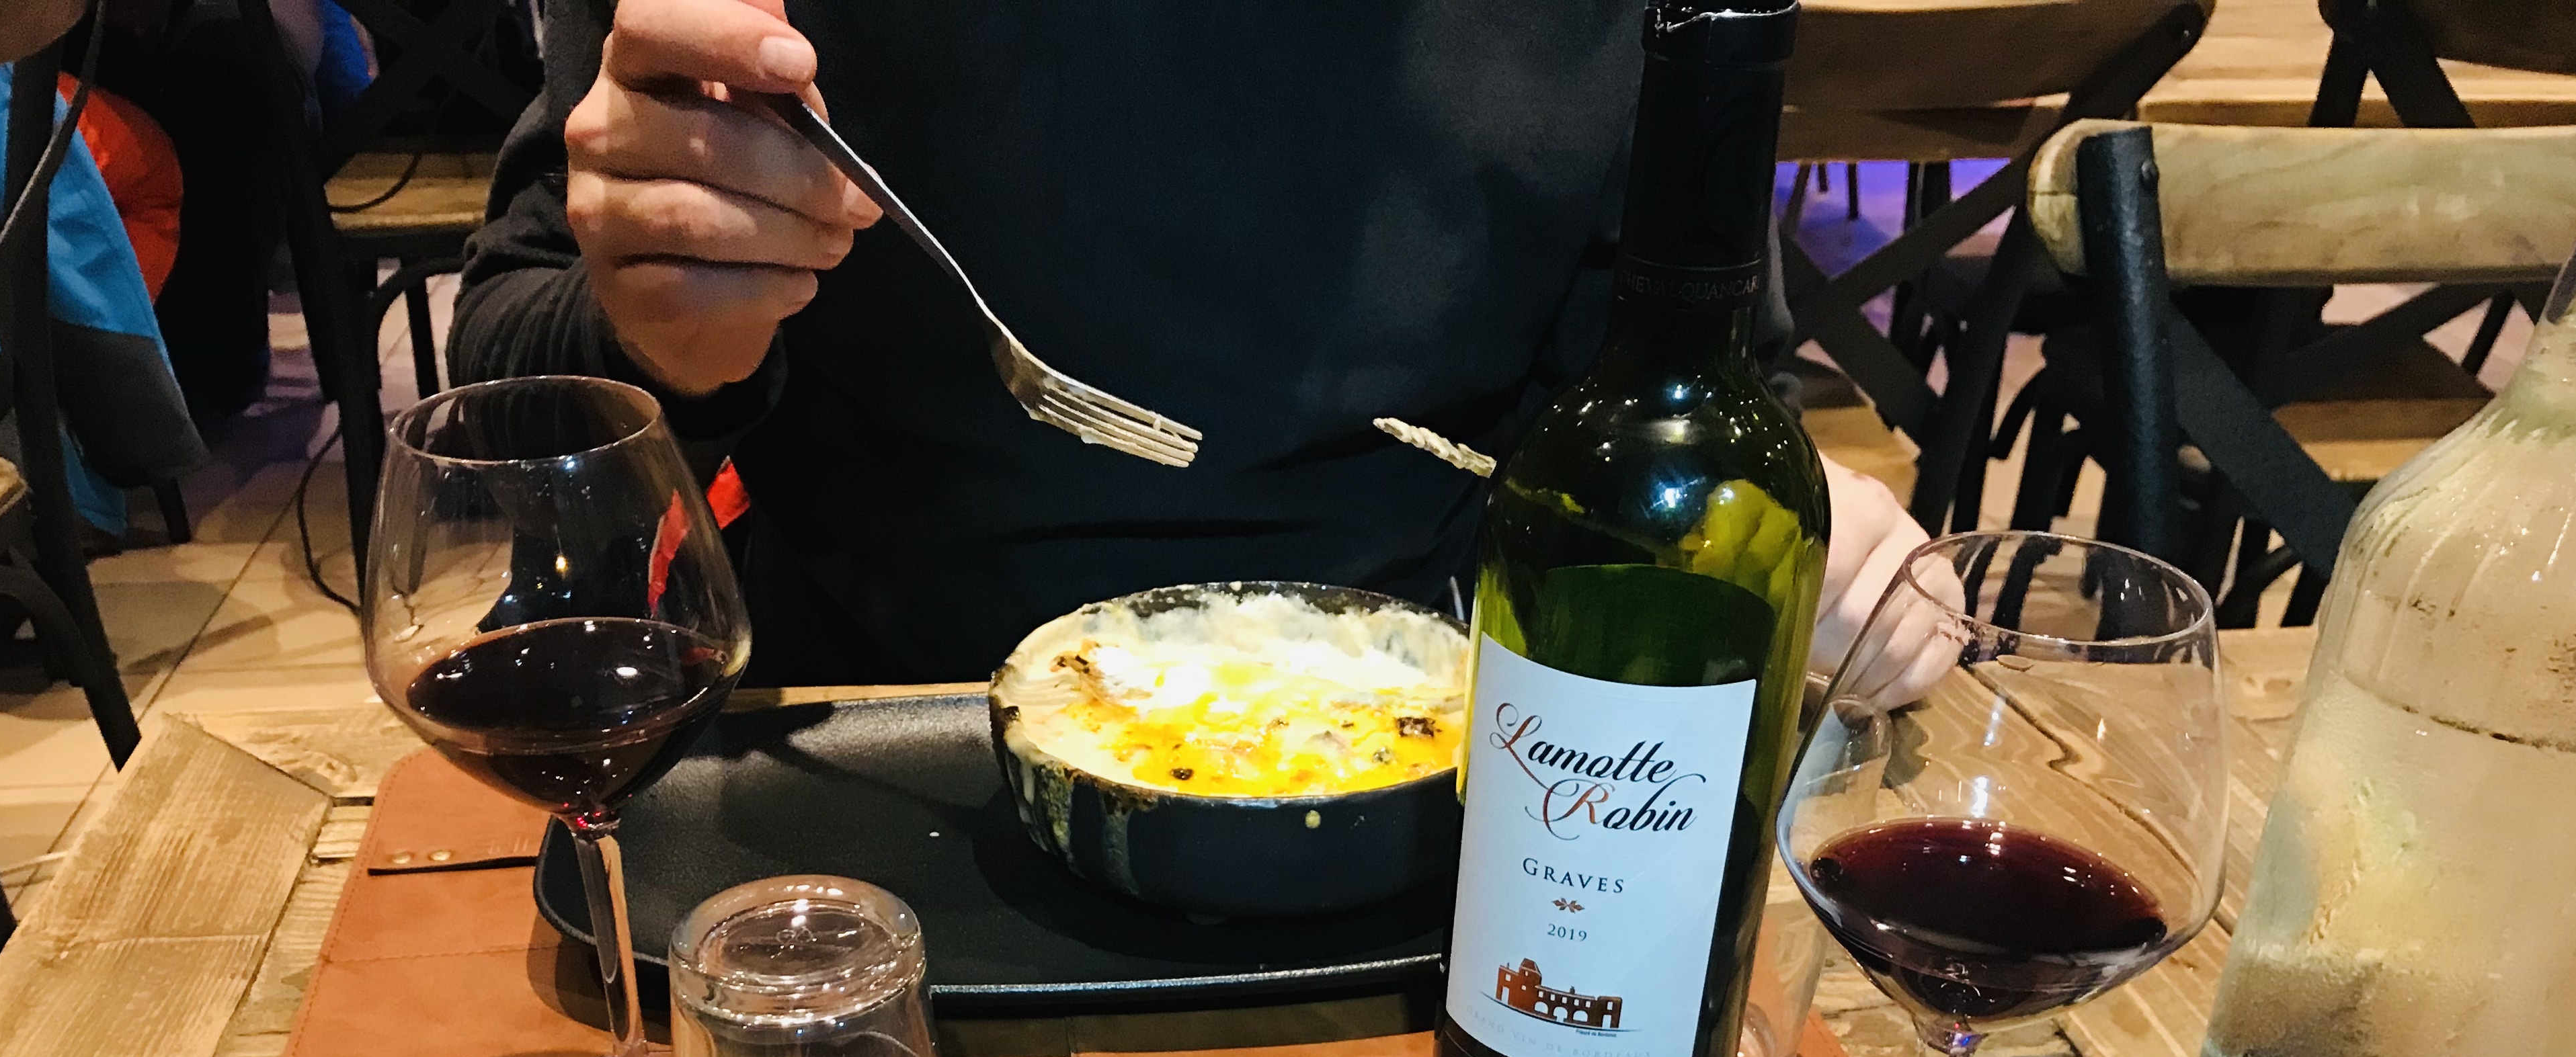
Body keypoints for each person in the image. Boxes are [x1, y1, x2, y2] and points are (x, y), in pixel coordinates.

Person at [452, 0, 1931, 687]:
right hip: (876, 741)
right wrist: (660, 337)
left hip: (1443, 763)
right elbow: (511, 376)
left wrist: (1795, 538)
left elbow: (1674, 397)